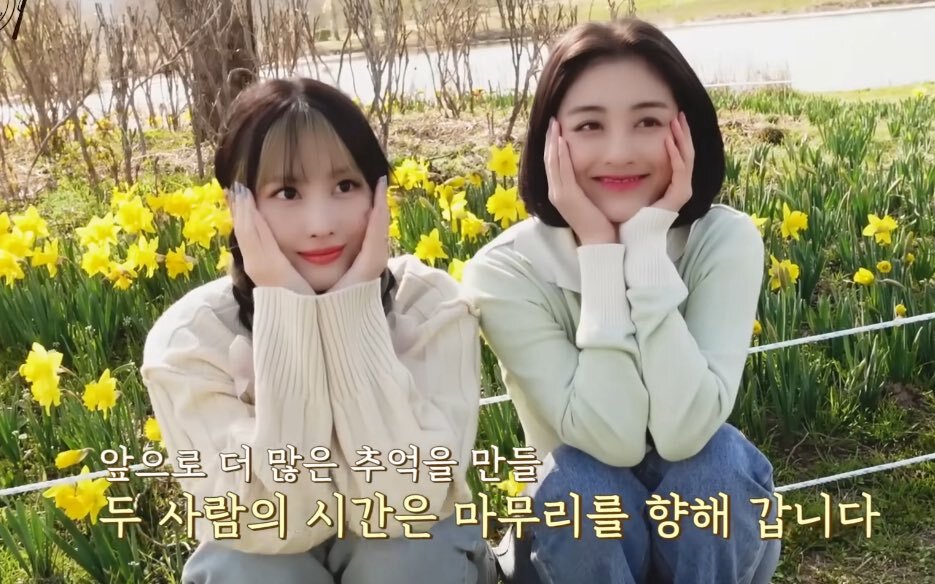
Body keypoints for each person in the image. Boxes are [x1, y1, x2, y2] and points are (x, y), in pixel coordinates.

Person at [140, 77, 496, 584]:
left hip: (409, 550)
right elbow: (269, 522)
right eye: (287, 192)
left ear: (379, 193)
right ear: (238, 205)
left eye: (345, 186)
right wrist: (287, 310)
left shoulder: (428, 306)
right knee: (245, 568)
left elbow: (404, 505)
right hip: (265, 554)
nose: (321, 223)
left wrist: (351, 311)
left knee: (400, 558)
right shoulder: (192, 341)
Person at [462, 19, 780, 584]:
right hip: (576, 544)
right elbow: (611, 441)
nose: (619, 152)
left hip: (707, 541)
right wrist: (601, 253)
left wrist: (646, 248)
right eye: (589, 125)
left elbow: (685, 432)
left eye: (648, 121)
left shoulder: (723, 240)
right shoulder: (507, 270)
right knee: (582, 483)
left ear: (686, 130)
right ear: (551, 139)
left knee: (714, 467)